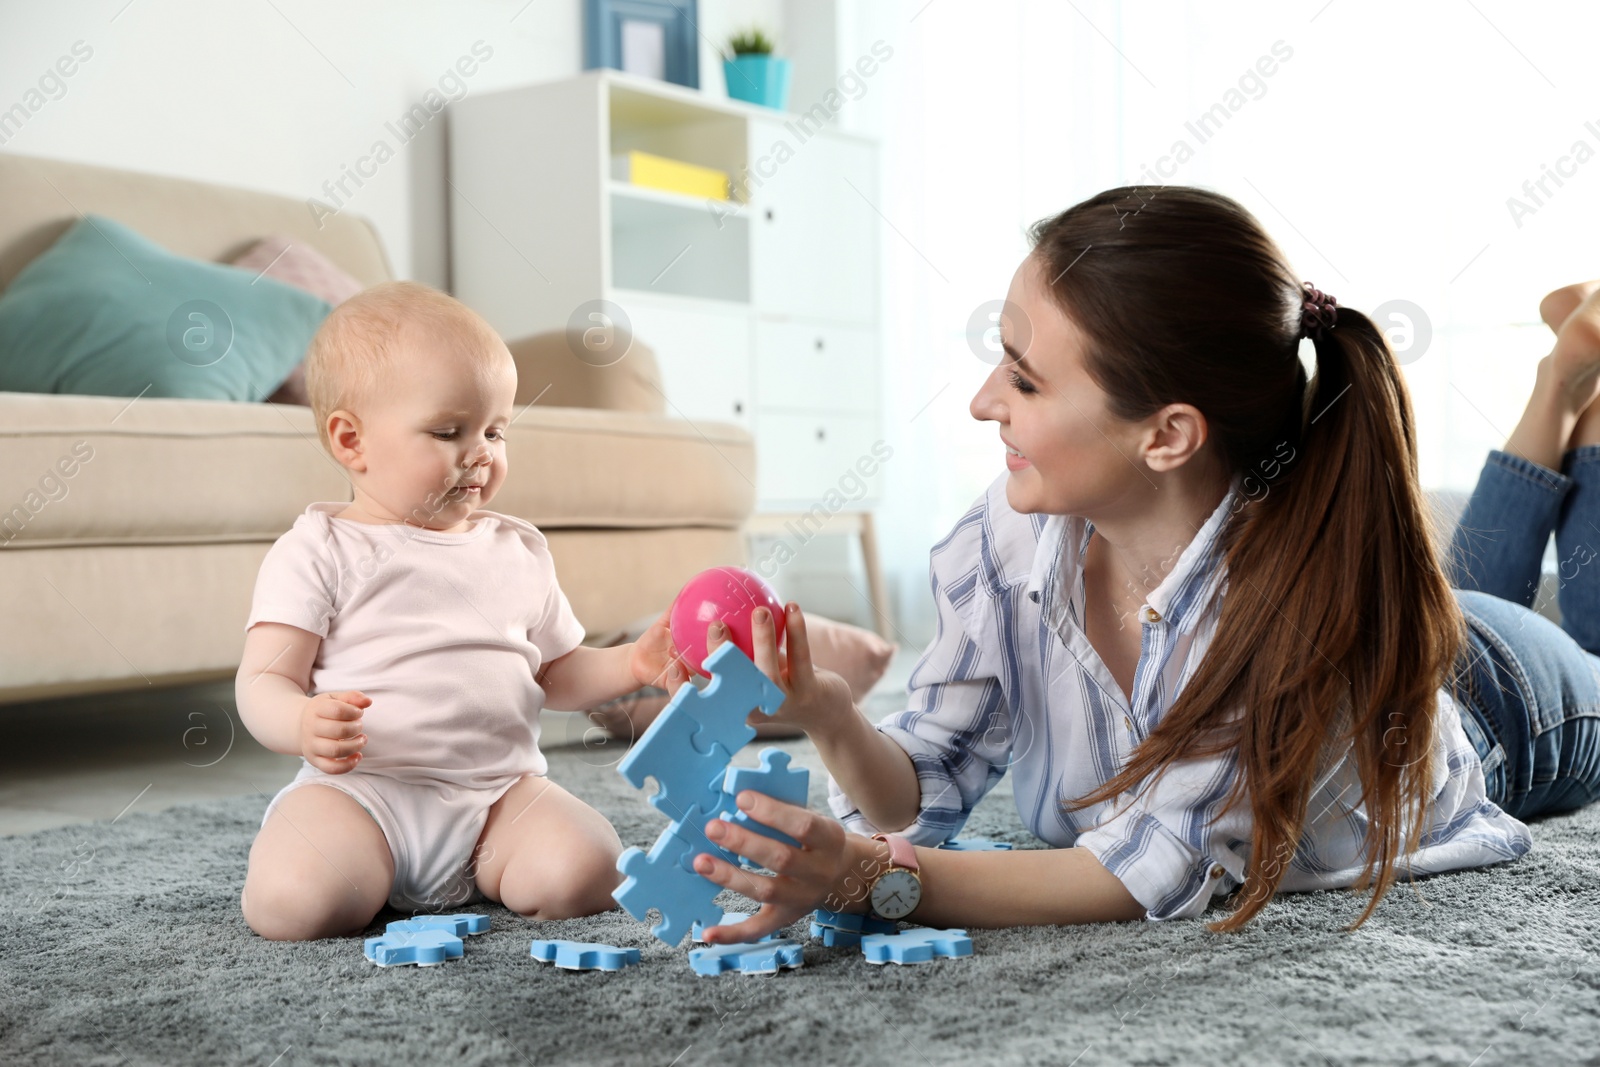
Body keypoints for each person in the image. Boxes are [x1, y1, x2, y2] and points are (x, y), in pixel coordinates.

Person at [684, 186, 1600, 942]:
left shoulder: (1278, 630)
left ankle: (1579, 415)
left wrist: (876, 880)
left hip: (1503, 705)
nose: (979, 401)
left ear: (1167, 436)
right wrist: (834, 717)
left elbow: (1147, 869)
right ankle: (1563, 384)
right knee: (1459, 587)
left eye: (1025, 377)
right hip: (1424, 626)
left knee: (1573, 632)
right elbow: (923, 788)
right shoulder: (1007, 538)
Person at [235, 281, 682, 941]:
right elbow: (261, 681)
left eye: (495, 430)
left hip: (497, 795)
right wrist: (301, 721)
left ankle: (487, 867)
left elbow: (554, 672)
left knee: (591, 870)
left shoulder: (518, 548)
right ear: (351, 440)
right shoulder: (319, 550)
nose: (481, 453)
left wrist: (632, 661)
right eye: (449, 431)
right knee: (294, 903)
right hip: (364, 793)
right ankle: (362, 866)